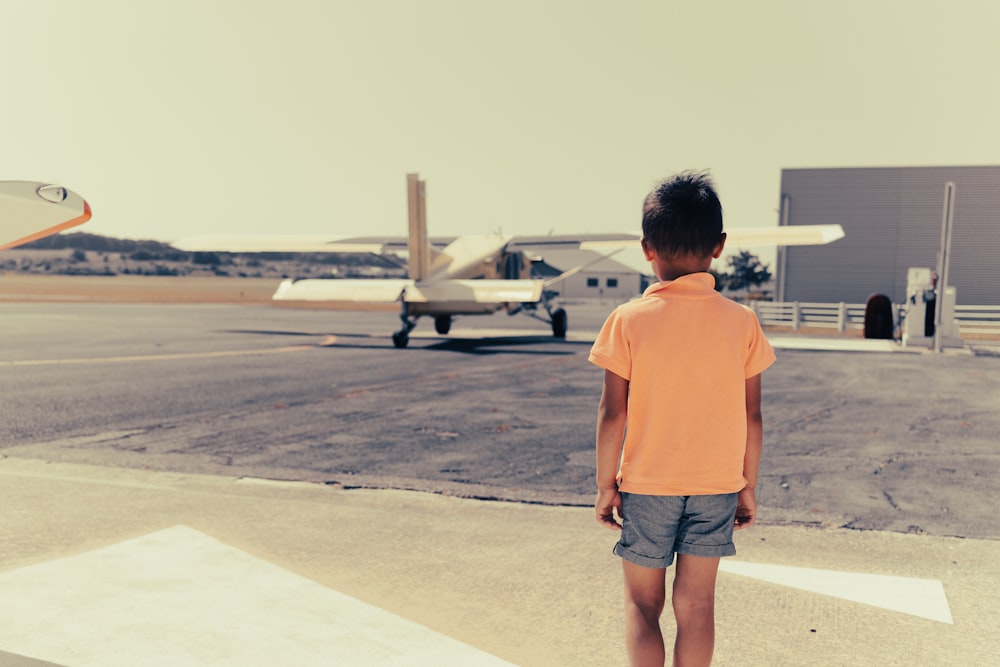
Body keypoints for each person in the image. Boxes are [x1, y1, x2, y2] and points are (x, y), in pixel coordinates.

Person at [589, 171, 775, 666]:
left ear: (647, 248)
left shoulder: (627, 321)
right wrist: (747, 485)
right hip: (716, 484)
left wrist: (607, 485)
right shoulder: (742, 322)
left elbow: (612, 415)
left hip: (648, 484)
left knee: (642, 604)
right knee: (696, 606)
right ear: (719, 246)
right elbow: (752, 417)